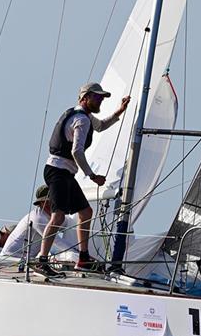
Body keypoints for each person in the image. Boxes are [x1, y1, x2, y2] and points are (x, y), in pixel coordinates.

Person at [36, 82, 130, 275]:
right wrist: (92, 175)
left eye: (102, 98)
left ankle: (83, 258)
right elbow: (77, 151)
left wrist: (120, 110)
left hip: (62, 171)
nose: (100, 100)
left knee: (86, 212)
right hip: (57, 170)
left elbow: (102, 126)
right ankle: (42, 260)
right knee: (58, 216)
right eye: (97, 97)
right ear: (85, 98)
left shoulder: (82, 116)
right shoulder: (82, 120)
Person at [1, 184, 78, 261]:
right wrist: (79, 254)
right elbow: (56, 241)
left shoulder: (51, 216)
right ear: (43, 203)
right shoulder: (38, 218)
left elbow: (67, 223)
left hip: (27, 261)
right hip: (10, 259)